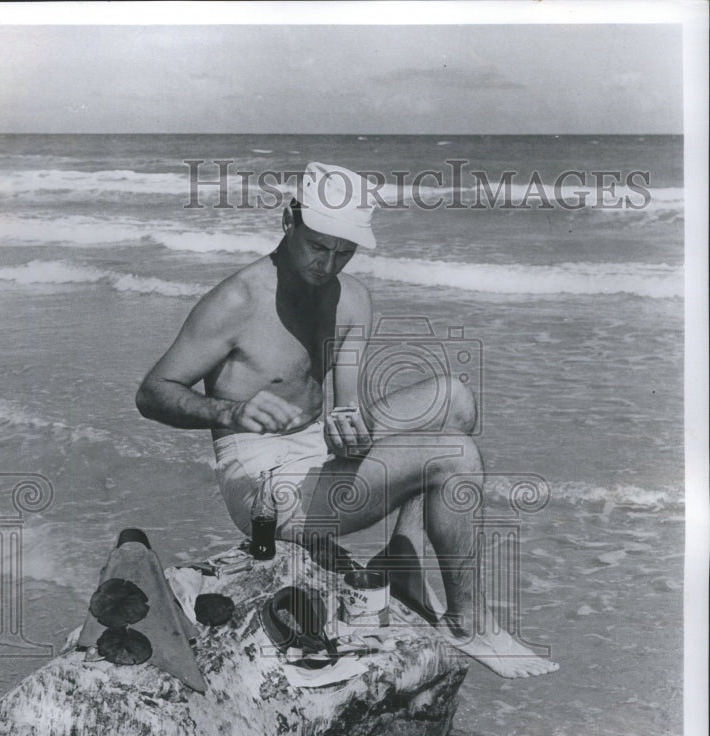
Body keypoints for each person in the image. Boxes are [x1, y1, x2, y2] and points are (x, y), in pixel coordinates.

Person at [136, 162, 558, 678]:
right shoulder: (237, 300)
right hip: (266, 486)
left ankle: (402, 558)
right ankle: (468, 622)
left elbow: (346, 405)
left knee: (454, 400)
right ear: (289, 219)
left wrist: (345, 424)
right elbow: (152, 392)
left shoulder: (351, 297)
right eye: (318, 246)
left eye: (344, 251)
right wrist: (229, 410)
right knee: (454, 456)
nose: (328, 263)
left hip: (316, 449)